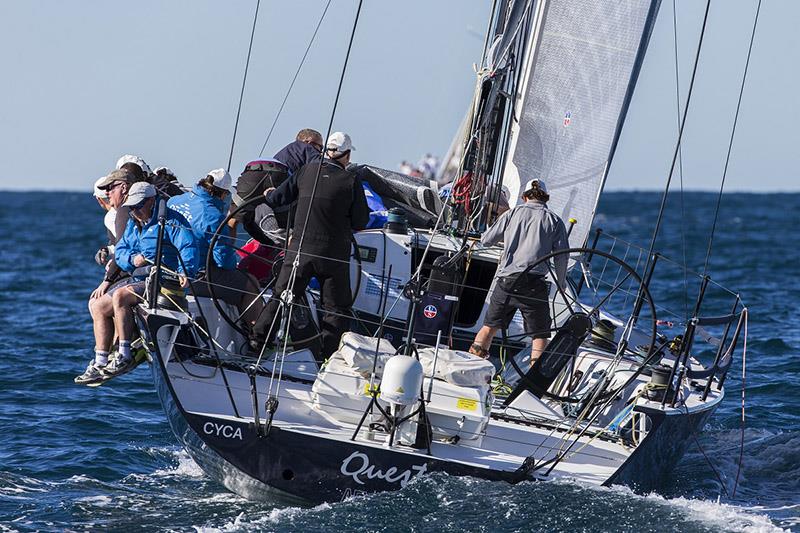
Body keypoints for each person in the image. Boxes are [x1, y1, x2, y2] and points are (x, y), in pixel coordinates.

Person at [249, 131, 370, 358]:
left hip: (300, 252)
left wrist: (270, 192)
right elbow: (360, 221)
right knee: (336, 308)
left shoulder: (306, 171)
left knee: (282, 296)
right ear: (345, 154)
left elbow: (278, 199)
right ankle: (327, 357)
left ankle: (258, 342)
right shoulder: (351, 180)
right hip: (333, 256)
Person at [76, 182, 198, 384]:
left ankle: (124, 353)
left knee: (121, 295)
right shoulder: (134, 222)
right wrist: (133, 260)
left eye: (138, 206)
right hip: (139, 277)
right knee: (97, 306)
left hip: (161, 279)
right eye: (131, 207)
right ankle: (100, 361)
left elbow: (187, 245)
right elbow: (122, 251)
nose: (134, 211)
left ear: (151, 201)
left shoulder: (171, 221)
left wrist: (186, 270)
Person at [468, 178, 568, 366]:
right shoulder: (555, 221)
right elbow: (561, 257)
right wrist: (561, 284)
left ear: (524, 197)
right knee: (540, 335)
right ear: (546, 198)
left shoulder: (511, 214)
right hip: (533, 284)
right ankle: (533, 378)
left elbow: (487, 240)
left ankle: (471, 366)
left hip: (507, 281)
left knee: (489, 327)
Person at [168, 169, 263, 325]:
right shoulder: (214, 216)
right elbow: (224, 262)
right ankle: (256, 338)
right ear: (223, 194)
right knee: (251, 284)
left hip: (168, 272)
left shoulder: (174, 201)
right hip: (193, 278)